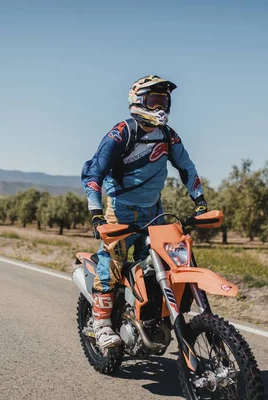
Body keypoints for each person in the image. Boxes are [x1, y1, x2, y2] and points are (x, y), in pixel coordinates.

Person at [81, 75, 208, 349]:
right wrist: (95, 212)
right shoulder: (121, 133)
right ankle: (101, 324)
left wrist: (200, 200)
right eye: (154, 101)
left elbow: (187, 167)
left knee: (157, 266)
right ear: (138, 102)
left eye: (164, 101)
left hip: (154, 212)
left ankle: (149, 319)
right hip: (120, 212)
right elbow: (94, 174)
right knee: (112, 265)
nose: (160, 107)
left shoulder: (168, 136)